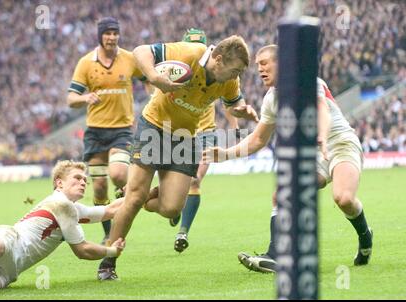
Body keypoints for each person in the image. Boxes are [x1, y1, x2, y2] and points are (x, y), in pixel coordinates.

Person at [97, 35, 259, 280]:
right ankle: (108, 262)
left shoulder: (229, 80)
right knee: (135, 198)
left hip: (186, 137)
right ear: (217, 59)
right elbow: (141, 50)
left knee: (171, 209)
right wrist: (154, 77)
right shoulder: (191, 53)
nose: (236, 75)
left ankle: (137, 194)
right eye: (234, 69)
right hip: (154, 127)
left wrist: (241, 110)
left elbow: (234, 102)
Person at [203, 44, 373, 273]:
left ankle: (365, 237)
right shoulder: (272, 99)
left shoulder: (307, 82)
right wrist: (225, 154)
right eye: (257, 66)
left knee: (343, 199)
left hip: (340, 143)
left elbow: (321, 109)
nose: (260, 69)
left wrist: (322, 136)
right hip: (313, 153)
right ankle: (275, 256)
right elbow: (258, 139)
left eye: (264, 63)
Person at [0, 160, 124, 290]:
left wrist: (136, 193)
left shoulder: (73, 208)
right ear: (59, 183)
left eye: (85, 180)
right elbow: (83, 250)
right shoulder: (61, 204)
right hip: (10, 240)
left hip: (8, 270)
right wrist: (112, 251)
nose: (83, 183)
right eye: (77, 178)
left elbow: (109, 210)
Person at [67, 17, 145, 244]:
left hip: (122, 130)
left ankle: (145, 195)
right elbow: (70, 98)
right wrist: (84, 97)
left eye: (115, 33)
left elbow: (147, 78)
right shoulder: (86, 63)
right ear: (100, 36)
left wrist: (154, 94)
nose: (112, 37)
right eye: (107, 33)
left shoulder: (129, 59)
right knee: (100, 188)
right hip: (95, 132)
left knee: (119, 174)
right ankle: (108, 233)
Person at [169, 28, 241, 253]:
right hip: (180, 132)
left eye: (198, 43)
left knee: (195, 180)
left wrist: (235, 126)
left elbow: (229, 101)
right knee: (175, 190)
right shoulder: (179, 68)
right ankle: (176, 206)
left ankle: (183, 232)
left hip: (206, 132)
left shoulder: (218, 71)